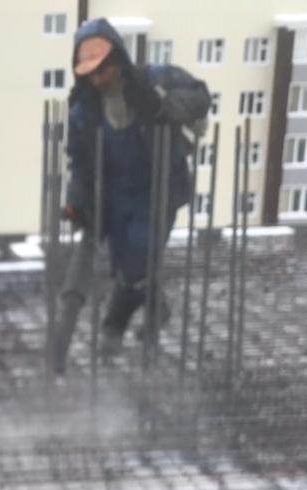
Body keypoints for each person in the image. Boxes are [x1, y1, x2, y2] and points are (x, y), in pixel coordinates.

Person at [52, 19, 210, 373]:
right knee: (118, 262)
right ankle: (154, 307)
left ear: (118, 60)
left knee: (139, 255)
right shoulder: (84, 111)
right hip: (114, 194)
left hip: (158, 189)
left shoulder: (155, 80)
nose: (98, 80)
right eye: (90, 74)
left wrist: (166, 105)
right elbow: (80, 161)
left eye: (103, 70)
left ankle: (115, 325)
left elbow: (201, 97)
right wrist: (77, 200)